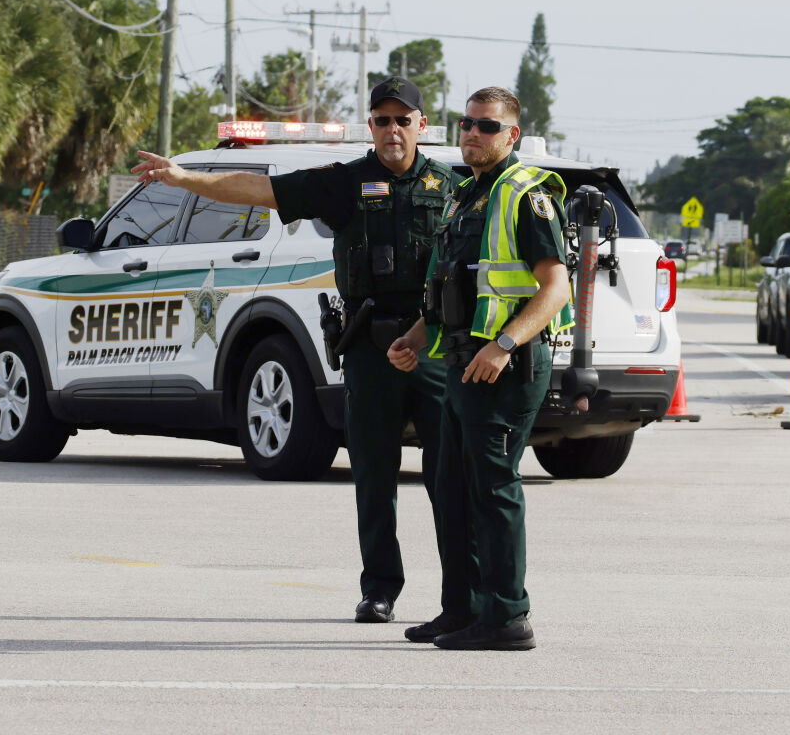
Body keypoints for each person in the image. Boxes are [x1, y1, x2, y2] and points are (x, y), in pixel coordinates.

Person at [130, 77, 462, 628]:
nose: (393, 130)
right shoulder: (344, 183)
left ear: (422, 126)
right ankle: (379, 588)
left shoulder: (451, 187)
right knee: (373, 478)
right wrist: (186, 177)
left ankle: (459, 598)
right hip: (368, 347)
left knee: (448, 478)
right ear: (372, 127)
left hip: (430, 347)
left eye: (403, 120)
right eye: (382, 120)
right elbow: (260, 190)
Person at [386, 86, 572, 651]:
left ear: (511, 135)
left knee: (492, 489)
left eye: (487, 127)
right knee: (452, 488)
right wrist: (415, 339)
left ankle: (507, 616)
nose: (472, 133)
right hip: (462, 362)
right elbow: (454, 287)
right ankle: (463, 609)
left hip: (505, 367)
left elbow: (555, 287)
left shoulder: (526, 193)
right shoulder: (465, 195)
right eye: (465, 123)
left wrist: (505, 344)